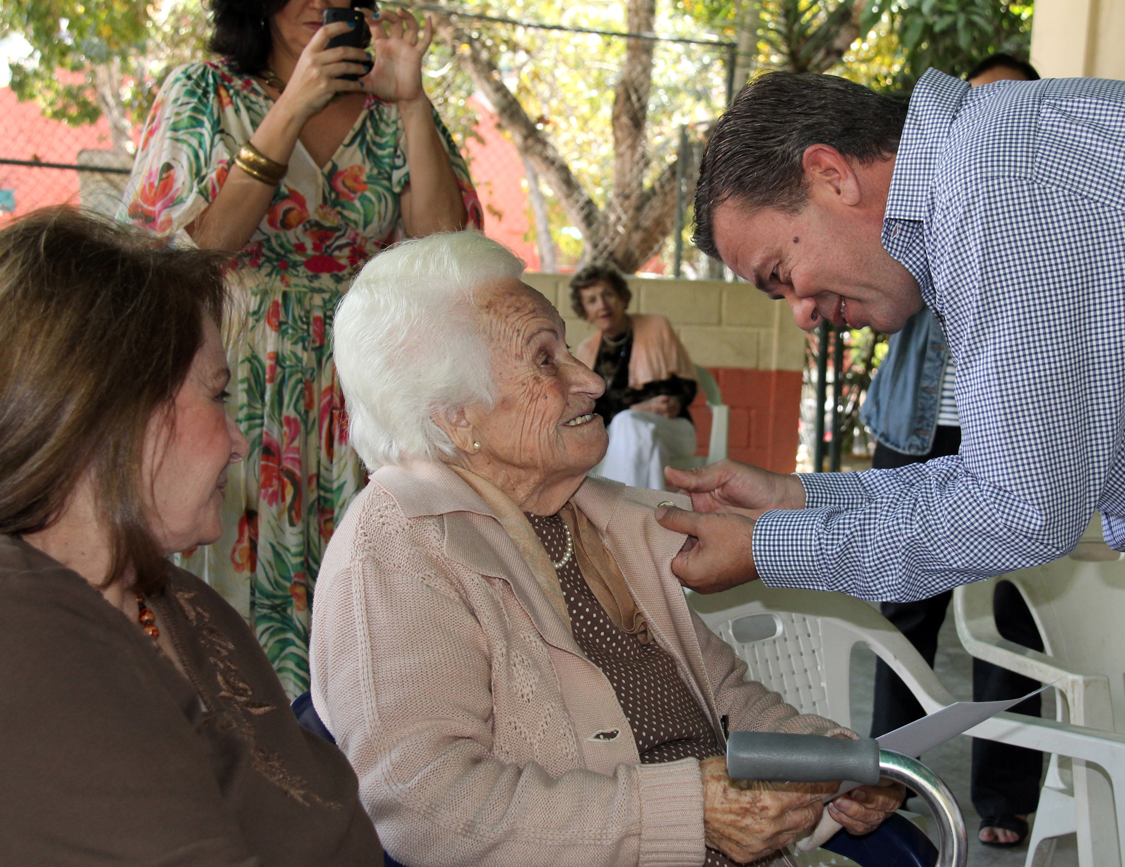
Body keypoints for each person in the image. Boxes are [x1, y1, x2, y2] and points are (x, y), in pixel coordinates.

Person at [655, 67, 1125, 867]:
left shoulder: (999, 178)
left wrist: (768, 551)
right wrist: (800, 497)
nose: (803, 309)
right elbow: (991, 475)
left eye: (781, 273)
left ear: (830, 174)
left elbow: (1019, 509)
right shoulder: (993, 161)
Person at [308, 231, 903, 867]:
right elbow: (426, 806)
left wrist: (832, 756)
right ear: (457, 415)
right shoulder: (399, 543)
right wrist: (688, 813)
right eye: (545, 359)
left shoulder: (600, 515)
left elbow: (726, 700)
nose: (591, 380)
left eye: (570, 348)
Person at [0, 208, 381, 865]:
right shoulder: (6, 618)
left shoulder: (181, 604)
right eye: (217, 395)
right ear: (114, 408)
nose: (239, 439)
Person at [120, 0, 482, 695]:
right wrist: (293, 104)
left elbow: (446, 250)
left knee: (365, 584)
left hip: (361, 386)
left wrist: (411, 102)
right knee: (229, 571)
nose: (318, 5)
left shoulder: (387, 108)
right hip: (233, 375)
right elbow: (198, 247)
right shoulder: (206, 91)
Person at [861, 53, 1043, 849]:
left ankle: (1004, 796)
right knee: (906, 611)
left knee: (1016, 618)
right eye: (978, 106)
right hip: (916, 432)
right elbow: (880, 303)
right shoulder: (920, 194)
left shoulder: (1053, 207)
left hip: (1015, 437)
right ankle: (892, 783)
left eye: (1011, 108)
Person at [571, 262, 701, 489]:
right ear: (585, 312)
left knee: (627, 422)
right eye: (592, 300)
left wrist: (674, 402)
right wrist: (637, 407)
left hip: (672, 428)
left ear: (622, 297)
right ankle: (650, 514)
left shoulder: (656, 326)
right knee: (643, 441)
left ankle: (613, 513)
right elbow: (591, 408)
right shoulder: (586, 351)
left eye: (608, 295)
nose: (602, 305)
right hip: (622, 437)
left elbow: (686, 386)